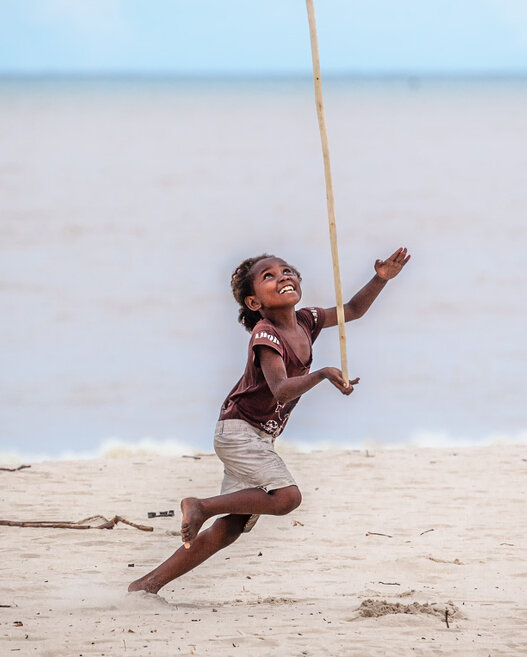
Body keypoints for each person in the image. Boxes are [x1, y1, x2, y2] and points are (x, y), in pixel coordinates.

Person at [127, 246, 411, 594]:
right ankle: (199, 506)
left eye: (287, 271)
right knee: (287, 498)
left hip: (257, 436)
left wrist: (379, 279)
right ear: (253, 303)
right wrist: (321, 374)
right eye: (269, 277)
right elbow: (280, 389)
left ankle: (145, 586)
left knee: (230, 529)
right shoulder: (266, 335)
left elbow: (352, 309)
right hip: (239, 431)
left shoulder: (307, 320)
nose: (283, 276)